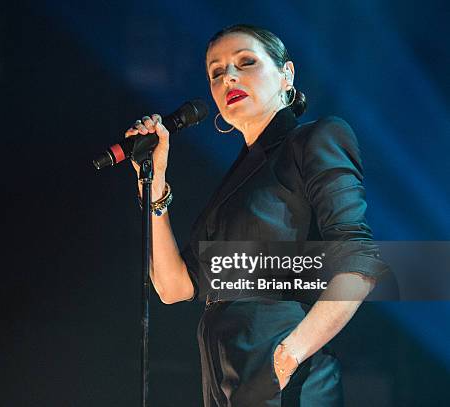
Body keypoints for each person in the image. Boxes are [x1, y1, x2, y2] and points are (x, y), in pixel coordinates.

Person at [124, 24, 388, 406]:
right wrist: (154, 180)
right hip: (226, 379)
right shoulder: (234, 183)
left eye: (245, 62)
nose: (228, 76)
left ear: (286, 75)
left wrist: (287, 357)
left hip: (288, 380)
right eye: (216, 72)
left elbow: (359, 262)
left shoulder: (314, 139)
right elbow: (173, 286)